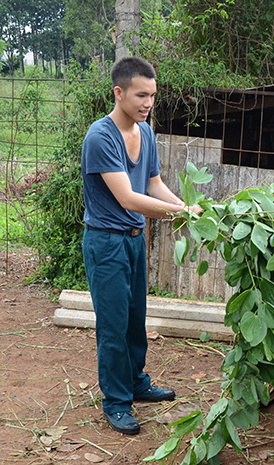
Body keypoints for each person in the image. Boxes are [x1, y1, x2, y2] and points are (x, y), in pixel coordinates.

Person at [82, 57, 201, 435]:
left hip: (134, 242)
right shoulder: (100, 137)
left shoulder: (145, 132)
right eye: (140, 95)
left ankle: (135, 383)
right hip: (106, 243)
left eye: (152, 95)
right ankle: (116, 403)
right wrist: (177, 214)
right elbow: (129, 198)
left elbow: (152, 185)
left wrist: (184, 208)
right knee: (114, 326)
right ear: (119, 93)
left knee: (135, 320)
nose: (148, 103)